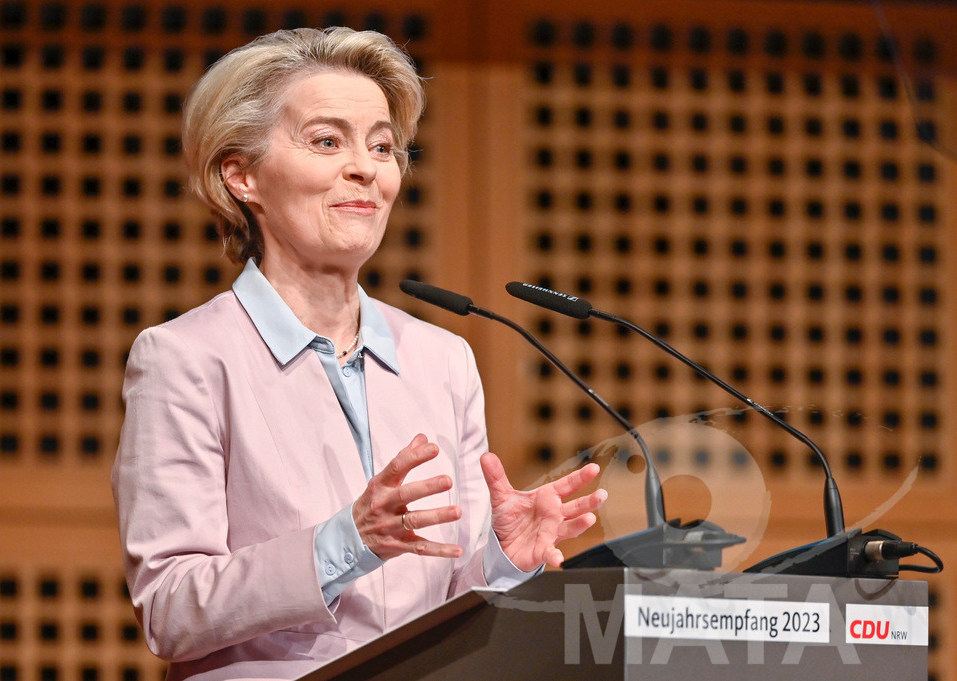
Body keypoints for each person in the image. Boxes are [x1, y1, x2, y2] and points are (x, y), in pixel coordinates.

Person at [111, 27, 607, 681]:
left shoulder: (443, 357)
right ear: (242, 175)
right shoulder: (185, 358)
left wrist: (499, 560)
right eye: (327, 141)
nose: (367, 169)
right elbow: (171, 608)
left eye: (382, 146)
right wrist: (346, 542)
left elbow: (449, 598)